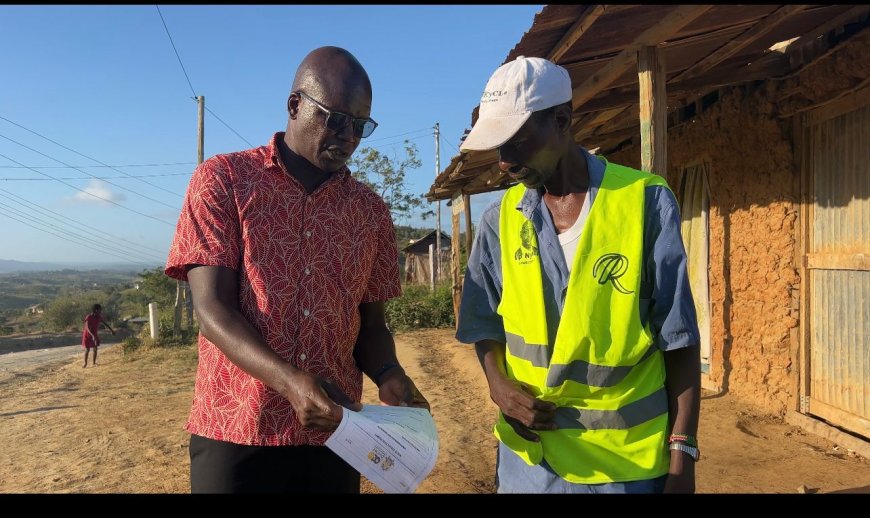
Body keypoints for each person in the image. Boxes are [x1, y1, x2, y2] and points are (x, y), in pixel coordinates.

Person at [164, 46, 429, 494]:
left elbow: (371, 324)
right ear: (295, 106)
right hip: (236, 426)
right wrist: (290, 382)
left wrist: (388, 373)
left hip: (335, 433)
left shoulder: (370, 212)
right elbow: (212, 311)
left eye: (360, 125)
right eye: (336, 119)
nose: (349, 137)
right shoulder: (224, 181)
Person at [456, 56, 701, 494]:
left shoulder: (643, 203)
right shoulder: (500, 221)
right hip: (530, 464)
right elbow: (482, 323)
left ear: (562, 120)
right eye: (498, 147)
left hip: (624, 468)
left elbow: (679, 339)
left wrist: (683, 452)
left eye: (516, 141)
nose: (504, 162)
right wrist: (499, 386)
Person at [81, 303, 114, 368]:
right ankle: (85, 363)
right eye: (99, 310)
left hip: (94, 334)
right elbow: (87, 328)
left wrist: (111, 330)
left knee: (95, 348)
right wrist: (92, 336)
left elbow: (105, 324)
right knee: (87, 350)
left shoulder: (99, 317)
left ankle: (94, 362)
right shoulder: (89, 317)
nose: (100, 311)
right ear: (96, 310)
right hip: (87, 335)